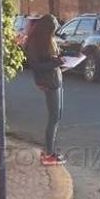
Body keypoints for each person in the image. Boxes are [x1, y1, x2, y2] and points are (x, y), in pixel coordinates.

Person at [24, 14, 67, 166]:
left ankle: (49, 149)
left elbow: (50, 59)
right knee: (54, 117)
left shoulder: (48, 40)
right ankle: (49, 154)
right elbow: (36, 66)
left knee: (58, 116)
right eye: (52, 31)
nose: (53, 34)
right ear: (45, 29)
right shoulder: (34, 42)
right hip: (49, 82)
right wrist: (54, 64)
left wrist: (59, 60)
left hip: (56, 79)